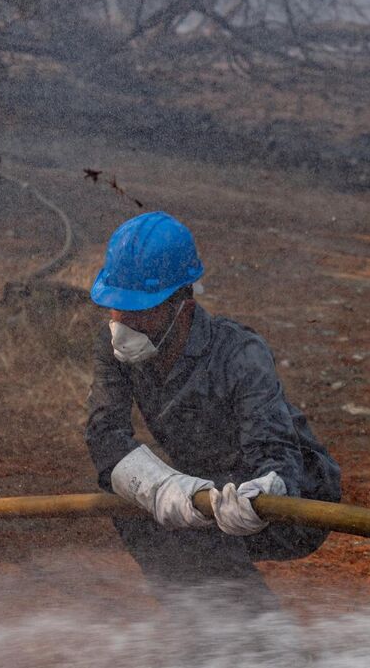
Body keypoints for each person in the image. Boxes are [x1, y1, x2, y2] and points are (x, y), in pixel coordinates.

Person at [85, 211, 341, 614]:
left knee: (193, 532)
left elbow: (276, 456)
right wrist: (162, 488)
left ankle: (265, 652)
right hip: (207, 490)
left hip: (293, 502)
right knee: (135, 507)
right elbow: (105, 434)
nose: (120, 323)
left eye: (138, 310)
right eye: (115, 307)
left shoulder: (241, 355)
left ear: (182, 308)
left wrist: (263, 489)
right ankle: (203, 634)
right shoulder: (115, 348)